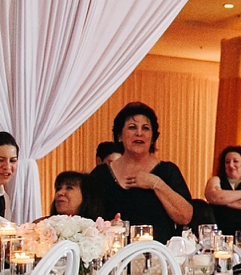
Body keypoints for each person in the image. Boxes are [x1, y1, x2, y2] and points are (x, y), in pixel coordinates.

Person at [77, 103, 194, 243]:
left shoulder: (167, 171)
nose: (139, 133)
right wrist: (106, 227)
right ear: (120, 136)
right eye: (132, 127)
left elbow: (185, 216)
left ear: (152, 138)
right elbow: (86, 221)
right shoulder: (100, 174)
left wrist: (155, 183)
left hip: (158, 258)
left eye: (145, 128)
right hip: (114, 257)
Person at [200, 143, 241, 235]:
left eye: (235, 161)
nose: (231, 165)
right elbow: (213, 197)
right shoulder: (215, 180)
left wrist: (223, 200)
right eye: (227, 162)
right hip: (220, 233)